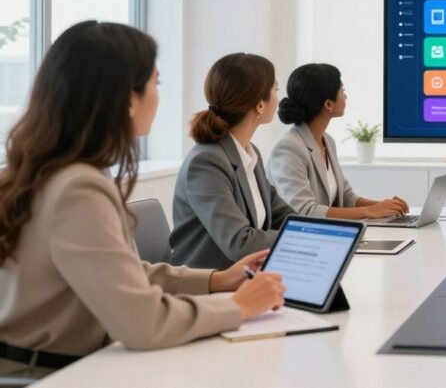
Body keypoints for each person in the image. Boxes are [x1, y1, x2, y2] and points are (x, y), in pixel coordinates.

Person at [0, 22, 284, 380]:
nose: (158, 96)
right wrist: (237, 307)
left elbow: (123, 273)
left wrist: (216, 280)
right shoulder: (78, 189)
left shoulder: (54, 172)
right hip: (54, 375)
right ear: (126, 99)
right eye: (156, 83)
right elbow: (142, 322)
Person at [169, 53, 295, 270]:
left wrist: (320, 232)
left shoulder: (248, 152)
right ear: (259, 105)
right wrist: (301, 240)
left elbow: (281, 215)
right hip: (209, 284)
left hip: (246, 276)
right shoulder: (206, 162)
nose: (278, 96)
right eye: (275, 89)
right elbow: (240, 243)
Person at [268, 63, 409, 220]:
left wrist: (385, 207)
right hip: (301, 240)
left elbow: (346, 198)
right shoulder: (289, 148)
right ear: (328, 104)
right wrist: (368, 211)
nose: (346, 96)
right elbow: (304, 211)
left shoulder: (327, 141)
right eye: (343, 91)